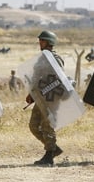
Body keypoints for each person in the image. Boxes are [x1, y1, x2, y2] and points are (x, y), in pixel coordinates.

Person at [26, 31, 65, 166]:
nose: (40, 43)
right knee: (33, 126)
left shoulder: (56, 59)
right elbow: (36, 77)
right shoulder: (41, 58)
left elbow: (59, 79)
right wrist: (32, 93)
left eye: (42, 41)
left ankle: (49, 155)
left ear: (49, 42)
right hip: (40, 97)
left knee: (47, 126)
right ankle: (53, 148)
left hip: (51, 97)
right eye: (40, 40)